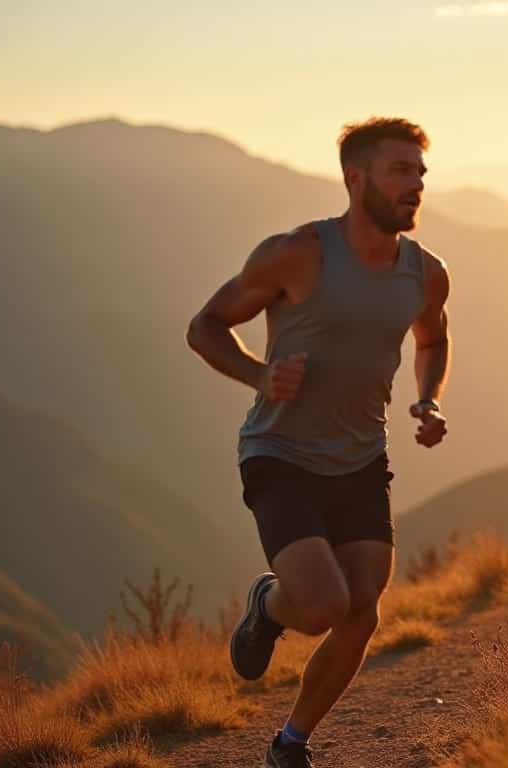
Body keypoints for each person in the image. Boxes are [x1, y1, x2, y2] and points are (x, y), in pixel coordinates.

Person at [186, 117, 451, 767]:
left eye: (420, 172)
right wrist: (259, 374)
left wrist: (427, 397)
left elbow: (433, 339)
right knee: (321, 607)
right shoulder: (297, 253)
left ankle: (290, 745)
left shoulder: (426, 272)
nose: (415, 185)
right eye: (400, 171)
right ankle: (268, 604)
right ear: (354, 177)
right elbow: (205, 326)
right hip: (281, 455)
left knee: (362, 613)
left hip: (362, 459)